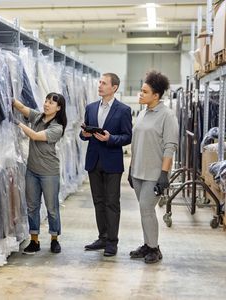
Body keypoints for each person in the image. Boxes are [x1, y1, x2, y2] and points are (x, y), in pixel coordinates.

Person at [128, 70, 178, 264]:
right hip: (139, 171)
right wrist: (132, 168)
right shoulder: (142, 114)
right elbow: (136, 143)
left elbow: (170, 146)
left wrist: (164, 174)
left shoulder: (167, 116)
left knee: (147, 209)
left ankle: (154, 249)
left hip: (155, 173)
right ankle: (148, 244)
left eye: (144, 91)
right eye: (141, 90)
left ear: (156, 95)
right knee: (144, 211)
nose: (140, 94)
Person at [80, 73, 132, 257]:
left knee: (112, 203)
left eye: (104, 83)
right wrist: (84, 134)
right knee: (98, 201)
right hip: (94, 161)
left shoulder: (123, 110)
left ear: (114, 87)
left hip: (112, 162)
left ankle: (112, 242)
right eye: (99, 82)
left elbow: (127, 137)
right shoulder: (91, 108)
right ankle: (102, 237)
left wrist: (111, 138)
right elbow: (84, 132)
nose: (99, 86)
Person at [12, 92, 67, 254]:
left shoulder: (57, 127)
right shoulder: (37, 117)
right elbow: (21, 107)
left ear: (58, 108)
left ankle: (54, 239)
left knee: (52, 208)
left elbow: (35, 136)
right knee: (32, 206)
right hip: (32, 170)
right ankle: (34, 240)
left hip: (49, 172)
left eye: (51, 103)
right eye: (46, 101)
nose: (47, 104)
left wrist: (19, 124)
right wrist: (8, 97)